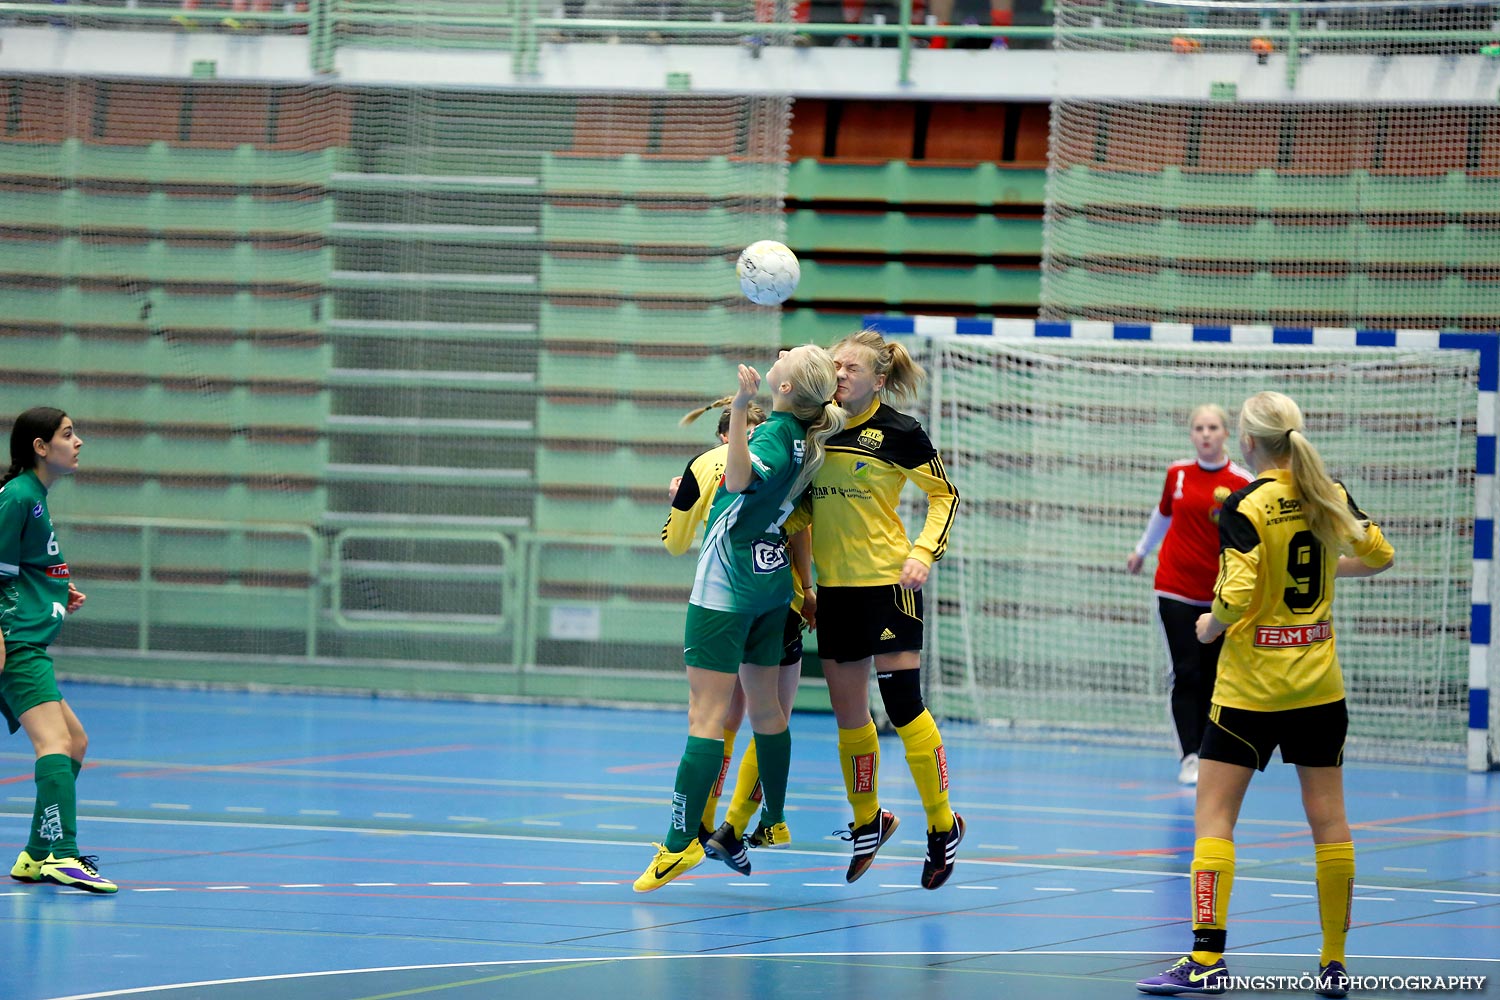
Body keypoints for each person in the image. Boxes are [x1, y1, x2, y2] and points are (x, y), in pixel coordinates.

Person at [1136, 391, 1394, 999]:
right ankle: (1333, 962)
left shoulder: (1245, 504)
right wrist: (1329, 569)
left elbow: (1234, 593)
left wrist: (1210, 626)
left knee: (1214, 820)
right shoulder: (1326, 489)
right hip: (1318, 689)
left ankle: (1205, 959)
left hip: (1250, 691)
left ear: (1246, 442)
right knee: (1330, 824)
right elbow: (1380, 554)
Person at [634, 347, 847, 892]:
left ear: (787, 387)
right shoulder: (802, 434)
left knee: (705, 716)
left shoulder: (773, 434)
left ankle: (677, 844)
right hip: (770, 586)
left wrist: (742, 406)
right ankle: (773, 819)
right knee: (767, 707)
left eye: (788, 356)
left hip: (726, 585)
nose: (779, 352)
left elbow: (736, 481)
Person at [808, 328, 962, 890]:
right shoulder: (813, 425)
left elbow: (946, 495)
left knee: (902, 707)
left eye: (851, 367)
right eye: (834, 365)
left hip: (889, 584)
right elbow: (801, 507)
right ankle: (869, 819)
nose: (841, 373)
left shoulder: (899, 432)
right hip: (835, 590)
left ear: (878, 379)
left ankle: (942, 825)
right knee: (851, 716)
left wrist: (923, 553)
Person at [662, 397, 813, 871]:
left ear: (722, 437)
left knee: (720, 716)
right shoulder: (793, 451)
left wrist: (683, 499)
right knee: (770, 714)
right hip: (778, 597)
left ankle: (702, 827)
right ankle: (748, 823)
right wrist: (807, 588)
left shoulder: (707, 465)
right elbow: (801, 528)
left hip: (726, 597)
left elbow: (675, 542)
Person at [1, 407, 116, 894]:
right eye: (68, 434)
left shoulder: (34, 499)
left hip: (31, 641)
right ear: (40, 448)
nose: (79, 442)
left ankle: (35, 852)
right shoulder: (17, 498)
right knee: (55, 745)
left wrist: (55, 590)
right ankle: (63, 856)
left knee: (77, 742)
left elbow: (23, 568)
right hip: (17, 645)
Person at [1126, 405, 1253, 786]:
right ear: (1191, 434)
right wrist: (1141, 550)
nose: (1205, 434)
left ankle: (1213, 751)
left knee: (1215, 675)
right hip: (1174, 587)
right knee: (1186, 672)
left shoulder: (1242, 480)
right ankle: (1189, 755)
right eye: (1199, 428)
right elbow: (1163, 514)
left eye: (1213, 427)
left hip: (1219, 593)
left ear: (1226, 433)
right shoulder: (1177, 474)